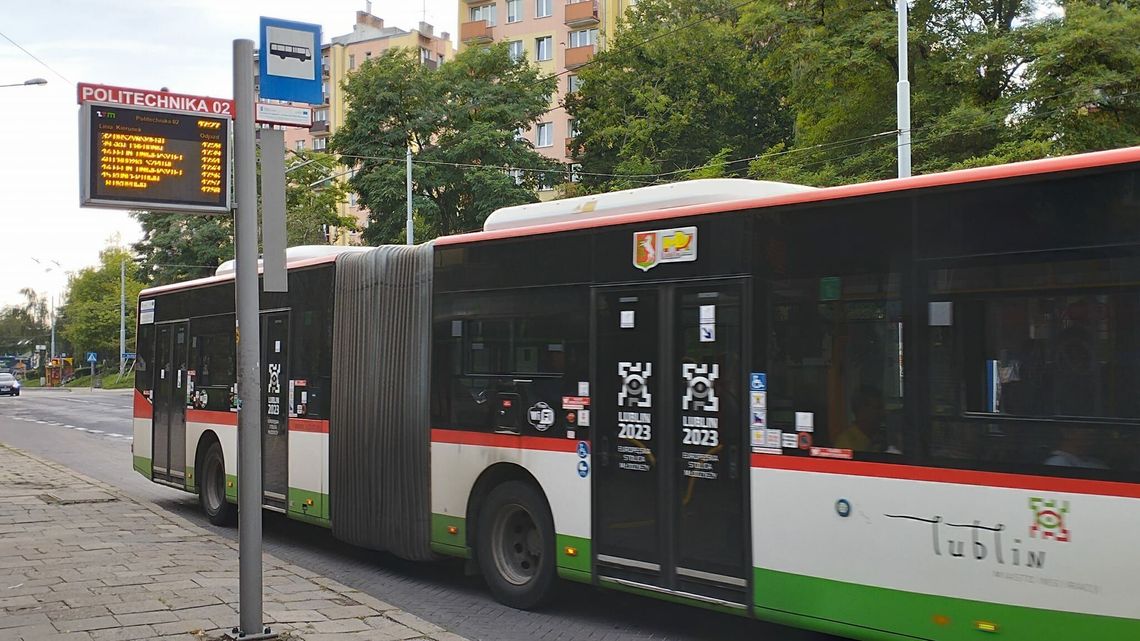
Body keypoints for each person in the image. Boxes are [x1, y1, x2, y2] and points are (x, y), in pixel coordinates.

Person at [834, 385, 883, 451]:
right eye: (878, 408)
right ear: (862, 411)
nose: (882, 413)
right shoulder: (846, 443)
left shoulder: (879, 438)